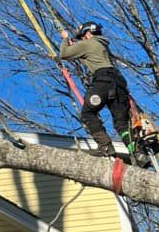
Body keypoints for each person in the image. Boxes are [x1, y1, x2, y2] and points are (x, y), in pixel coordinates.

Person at [59, 21, 149, 166]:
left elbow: (64, 54)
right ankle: (138, 153)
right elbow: (88, 58)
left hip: (103, 82)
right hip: (119, 84)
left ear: (88, 34)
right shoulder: (101, 45)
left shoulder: (87, 44)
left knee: (88, 113)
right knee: (121, 123)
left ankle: (106, 147)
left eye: (82, 37)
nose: (81, 40)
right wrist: (75, 46)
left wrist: (64, 39)